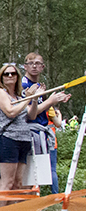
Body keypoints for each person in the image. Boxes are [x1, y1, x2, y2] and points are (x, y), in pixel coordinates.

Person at [21, 52, 71, 196]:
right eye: (31, 63)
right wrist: (50, 101)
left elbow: (44, 108)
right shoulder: (24, 85)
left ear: (43, 67)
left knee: (39, 172)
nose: (34, 66)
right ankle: (27, 206)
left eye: (38, 63)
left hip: (41, 133)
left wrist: (56, 100)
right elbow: (31, 113)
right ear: (25, 66)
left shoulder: (39, 86)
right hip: (29, 132)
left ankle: (35, 205)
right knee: (30, 173)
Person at [0, 63, 39, 208]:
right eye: (6, 74)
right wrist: (27, 100)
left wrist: (35, 99)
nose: (10, 76)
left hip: (24, 140)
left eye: (13, 73)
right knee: (7, 182)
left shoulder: (19, 96)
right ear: (2, 77)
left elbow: (31, 115)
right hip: (8, 139)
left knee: (19, 182)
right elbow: (10, 112)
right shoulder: (0, 93)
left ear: (18, 77)